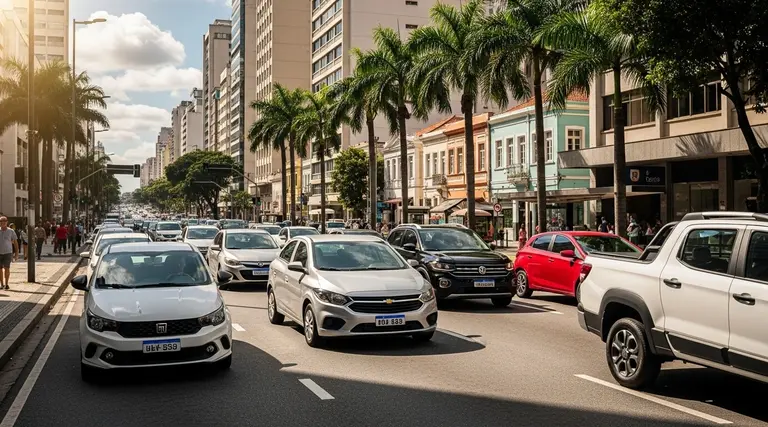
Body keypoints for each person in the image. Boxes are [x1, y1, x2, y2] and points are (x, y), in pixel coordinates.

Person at [0, 216, 18, 290]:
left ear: (7, 222)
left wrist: (16, 253)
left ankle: (6, 283)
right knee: (0, 269)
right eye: (1, 221)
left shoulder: (11, 231)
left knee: (7, 268)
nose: (3, 223)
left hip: (8, 252)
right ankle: (2, 284)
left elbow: (16, 243)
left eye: (4, 221)